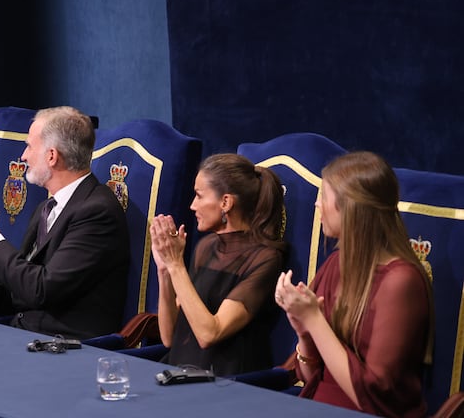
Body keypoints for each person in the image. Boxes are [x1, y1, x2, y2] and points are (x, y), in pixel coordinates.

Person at [0, 106, 130, 339]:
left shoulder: (97, 212)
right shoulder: (46, 208)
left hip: (69, 349)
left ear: (51, 156)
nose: (23, 156)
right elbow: (14, 298)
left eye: (29, 146)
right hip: (26, 340)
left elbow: (41, 291)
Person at [275, 151, 433, 417]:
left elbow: (373, 396)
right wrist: (303, 331)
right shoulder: (335, 264)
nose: (317, 204)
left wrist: (313, 319)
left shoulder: (401, 281)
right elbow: (310, 376)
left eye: (324, 196)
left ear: (351, 208)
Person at [150, 153, 287, 375]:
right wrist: (165, 270)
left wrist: (176, 265)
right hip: (180, 372)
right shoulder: (206, 247)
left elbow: (209, 334)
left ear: (225, 202)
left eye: (199, 196)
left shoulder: (265, 259)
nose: (192, 205)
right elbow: (169, 337)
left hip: (227, 380)